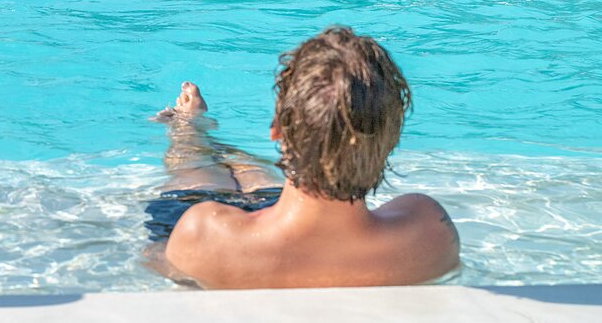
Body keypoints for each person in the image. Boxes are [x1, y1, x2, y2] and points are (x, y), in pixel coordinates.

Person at [147, 27, 460, 289]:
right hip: (281, 213)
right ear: (391, 140)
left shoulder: (202, 232)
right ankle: (196, 131)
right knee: (254, 173)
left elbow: (159, 266)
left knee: (196, 165)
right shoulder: (429, 231)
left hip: (243, 241)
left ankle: (189, 129)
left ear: (277, 130)